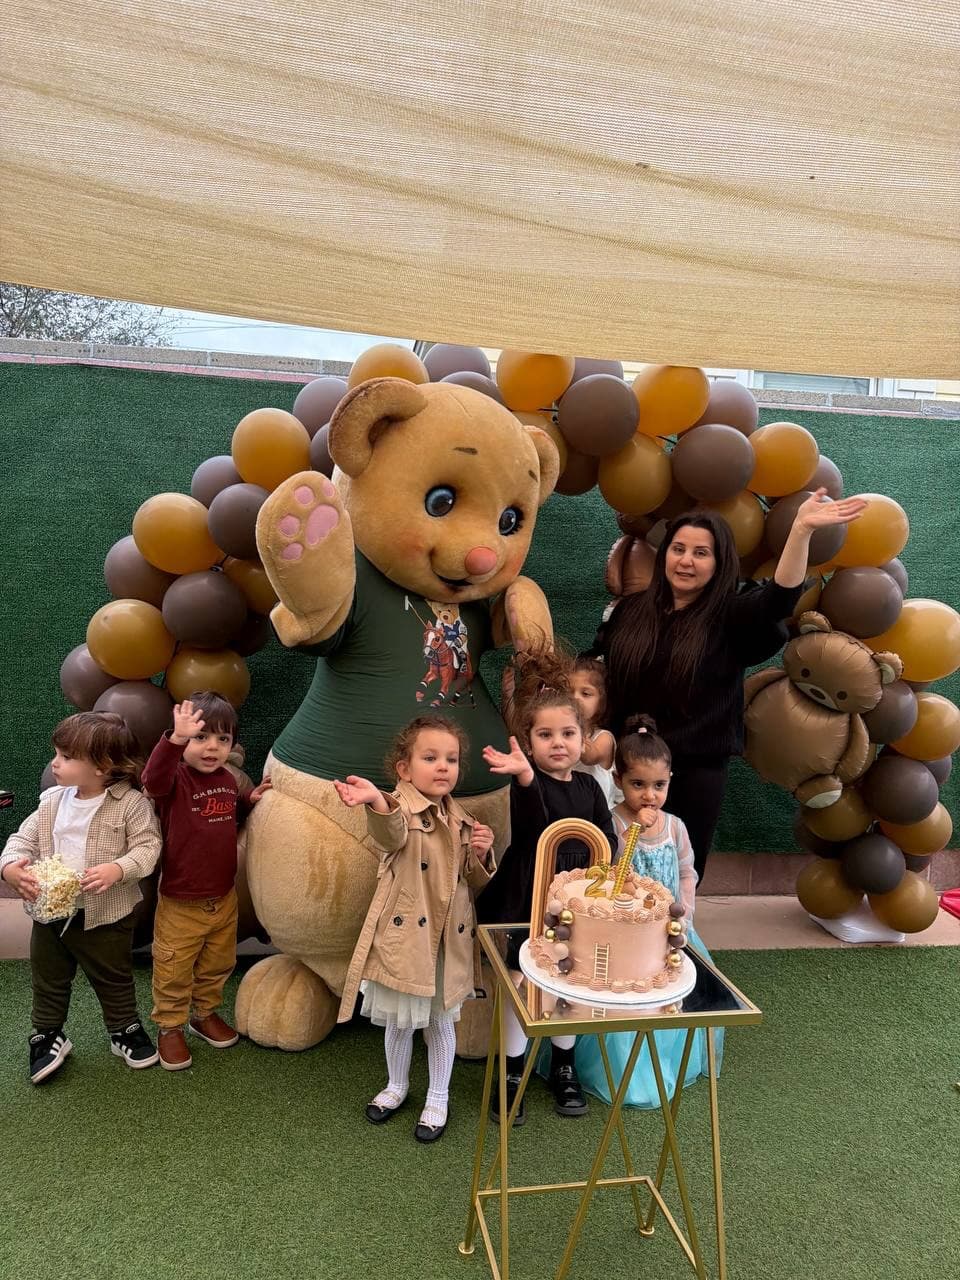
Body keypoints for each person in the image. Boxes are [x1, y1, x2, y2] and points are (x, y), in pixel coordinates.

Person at [594, 492, 867, 879]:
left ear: (719, 563)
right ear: (665, 554)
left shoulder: (731, 615)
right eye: (678, 549)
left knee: (675, 881)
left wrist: (801, 530)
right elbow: (601, 673)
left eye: (701, 553)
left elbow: (778, 600)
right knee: (612, 875)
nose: (686, 561)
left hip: (693, 775)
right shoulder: (630, 611)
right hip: (624, 770)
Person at [335, 716, 496, 1143]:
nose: (443, 766)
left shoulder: (461, 819)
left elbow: (470, 881)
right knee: (400, 1021)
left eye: (451, 759)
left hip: (447, 942)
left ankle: (438, 1096)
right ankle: (397, 1085)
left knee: (440, 1022)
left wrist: (482, 853)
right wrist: (376, 800)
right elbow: (389, 834)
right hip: (408, 939)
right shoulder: (399, 808)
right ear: (404, 769)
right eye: (430, 758)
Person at [478, 653, 618, 1124]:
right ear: (528, 743)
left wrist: (602, 876)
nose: (558, 743)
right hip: (529, 898)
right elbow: (536, 830)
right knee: (521, 984)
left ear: (583, 738)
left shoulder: (591, 788)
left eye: (567, 733)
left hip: (576, 906)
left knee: (567, 984)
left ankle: (563, 1066)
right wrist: (523, 777)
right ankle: (512, 1071)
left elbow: (607, 842)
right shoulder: (528, 783)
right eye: (545, 735)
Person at [0, 711, 162, 1083]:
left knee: (113, 976)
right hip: (50, 913)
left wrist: (118, 868)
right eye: (56, 754)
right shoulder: (52, 801)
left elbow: (148, 847)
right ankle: (47, 1034)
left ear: (102, 766)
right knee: (48, 977)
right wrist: (9, 867)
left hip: (105, 915)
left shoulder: (131, 805)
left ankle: (123, 1030)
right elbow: (22, 839)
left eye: (66, 757)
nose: (55, 763)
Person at [575, 716, 722, 1106]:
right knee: (628, 1000)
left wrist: (686, 912)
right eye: (637, 784)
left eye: (659, 785)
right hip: (627, 933)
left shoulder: (675, 827)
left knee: (670, 997)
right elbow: (611, 869)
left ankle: (665, 1062)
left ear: (670, 780)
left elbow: (687, 871)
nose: (649, 796)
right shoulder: (613, 823)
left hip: (669, 930)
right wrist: (634, 830)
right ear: (618, 779)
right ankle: (623, 1073)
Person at [142, 693, 271, 1071]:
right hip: (181, 901)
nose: (212, 747)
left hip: (223, 897)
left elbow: (231, 812)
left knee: (218, 963)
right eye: (201, 737)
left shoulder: (227, 780)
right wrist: (175, 740)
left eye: (222, 739)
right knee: (174, 968)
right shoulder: (174, 780)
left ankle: (204, 1014)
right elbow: (152, 779)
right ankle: (170, 1027)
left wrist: (249, 799)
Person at [568, 655, 622, 808]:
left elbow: (589, 757)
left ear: (602, 702)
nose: (575, 698)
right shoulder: (561, 734)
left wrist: (572, 729)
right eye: (569, 692)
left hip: (599, 818)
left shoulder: (604, 738)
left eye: (585, 693)